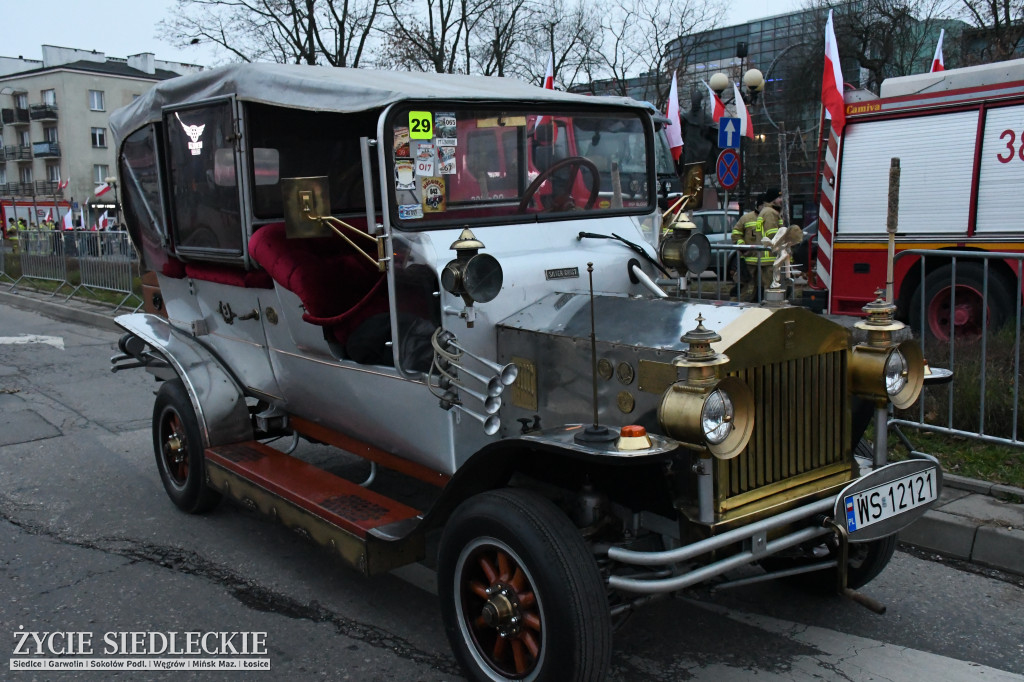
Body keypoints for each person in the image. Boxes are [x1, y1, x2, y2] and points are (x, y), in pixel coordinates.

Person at [753, 188, 785, 298]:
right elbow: (773, 234)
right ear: (772, 200)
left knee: (770, 288)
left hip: (767, 258)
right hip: (771, 257)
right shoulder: (770, 213)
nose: (781, 200)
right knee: (773, 289)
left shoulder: (768, 211)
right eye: (779, 198)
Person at [730, 198, 763, 300]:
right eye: (763, 206)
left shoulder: (771, 218)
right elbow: (736, 233)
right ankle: (735, 308)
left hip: (764, 262)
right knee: (741, 286)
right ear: (758, 205)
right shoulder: (746, 218)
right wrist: (742, 247)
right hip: (747, 260)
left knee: (761, 289)